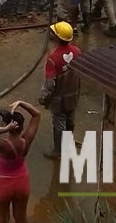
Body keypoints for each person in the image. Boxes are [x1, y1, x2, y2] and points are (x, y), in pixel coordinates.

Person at [0, 100, 41, 223]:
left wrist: (5, 129)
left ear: (8, 125)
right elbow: (37, 114)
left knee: (2, 219)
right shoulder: (26, 140)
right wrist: (21, 103)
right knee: (21, 218)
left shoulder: (4, 146)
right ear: (22, 126)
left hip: (2, 184)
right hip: (22, 182)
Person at [39, 22, 81, 160]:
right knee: (70, 119)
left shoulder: (53, 59)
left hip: (59, 99)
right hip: (73, 95)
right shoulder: (76, 52)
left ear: (57, 38)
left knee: (59, 123)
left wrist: (43, 98)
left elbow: (50, 84)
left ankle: (58, 150)